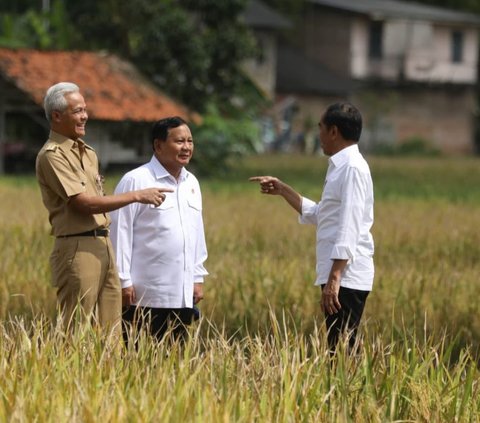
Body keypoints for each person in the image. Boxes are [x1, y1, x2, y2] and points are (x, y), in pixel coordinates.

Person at [36, 82, 171, 335]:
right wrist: (137, 195)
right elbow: (84, 203)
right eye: (77, 111)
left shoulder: (89, 153)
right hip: (78, 247)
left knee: (111, 330)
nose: (85, 116)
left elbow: (98, 197)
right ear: (57, 116)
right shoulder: (52, 155)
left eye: (84, 110)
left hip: (104, 244)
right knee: (75, 330)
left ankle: (105, 374)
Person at [250, 102, 374, 354]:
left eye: (320, 128)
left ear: (334, 132)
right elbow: (323, 215)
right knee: (339, 346)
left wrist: (335, 278)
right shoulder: (340, 167)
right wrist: (283, 190)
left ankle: (350, 392)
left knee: (341, 350)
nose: (318, 135)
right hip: (340, 274)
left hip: (346, 276)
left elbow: (349, 224)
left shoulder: (351, 168)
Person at [110, 116, 208, 343]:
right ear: (158, 145)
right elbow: (120, 232)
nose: (186, 148)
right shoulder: (136, 180)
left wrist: (197, 276)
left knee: (174, 363)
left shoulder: (191, 183)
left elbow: (196, 232)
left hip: (182, 293)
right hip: (144, 294)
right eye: (179, 141)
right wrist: (123, 280)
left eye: (190, 141)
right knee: (139, 360)